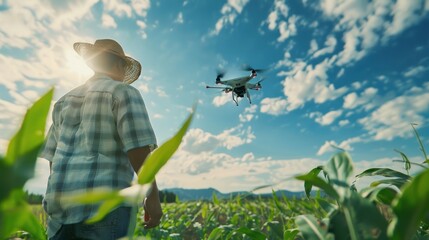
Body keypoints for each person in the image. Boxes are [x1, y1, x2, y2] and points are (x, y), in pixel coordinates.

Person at [40, 39, 163, 240]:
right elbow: (138, 148)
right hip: (105, 207)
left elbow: (53, 158)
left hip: (59, 210)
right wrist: (152, 196)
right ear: (119, 65)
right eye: (124, 68)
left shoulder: (63, 101)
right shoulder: (124, 93)